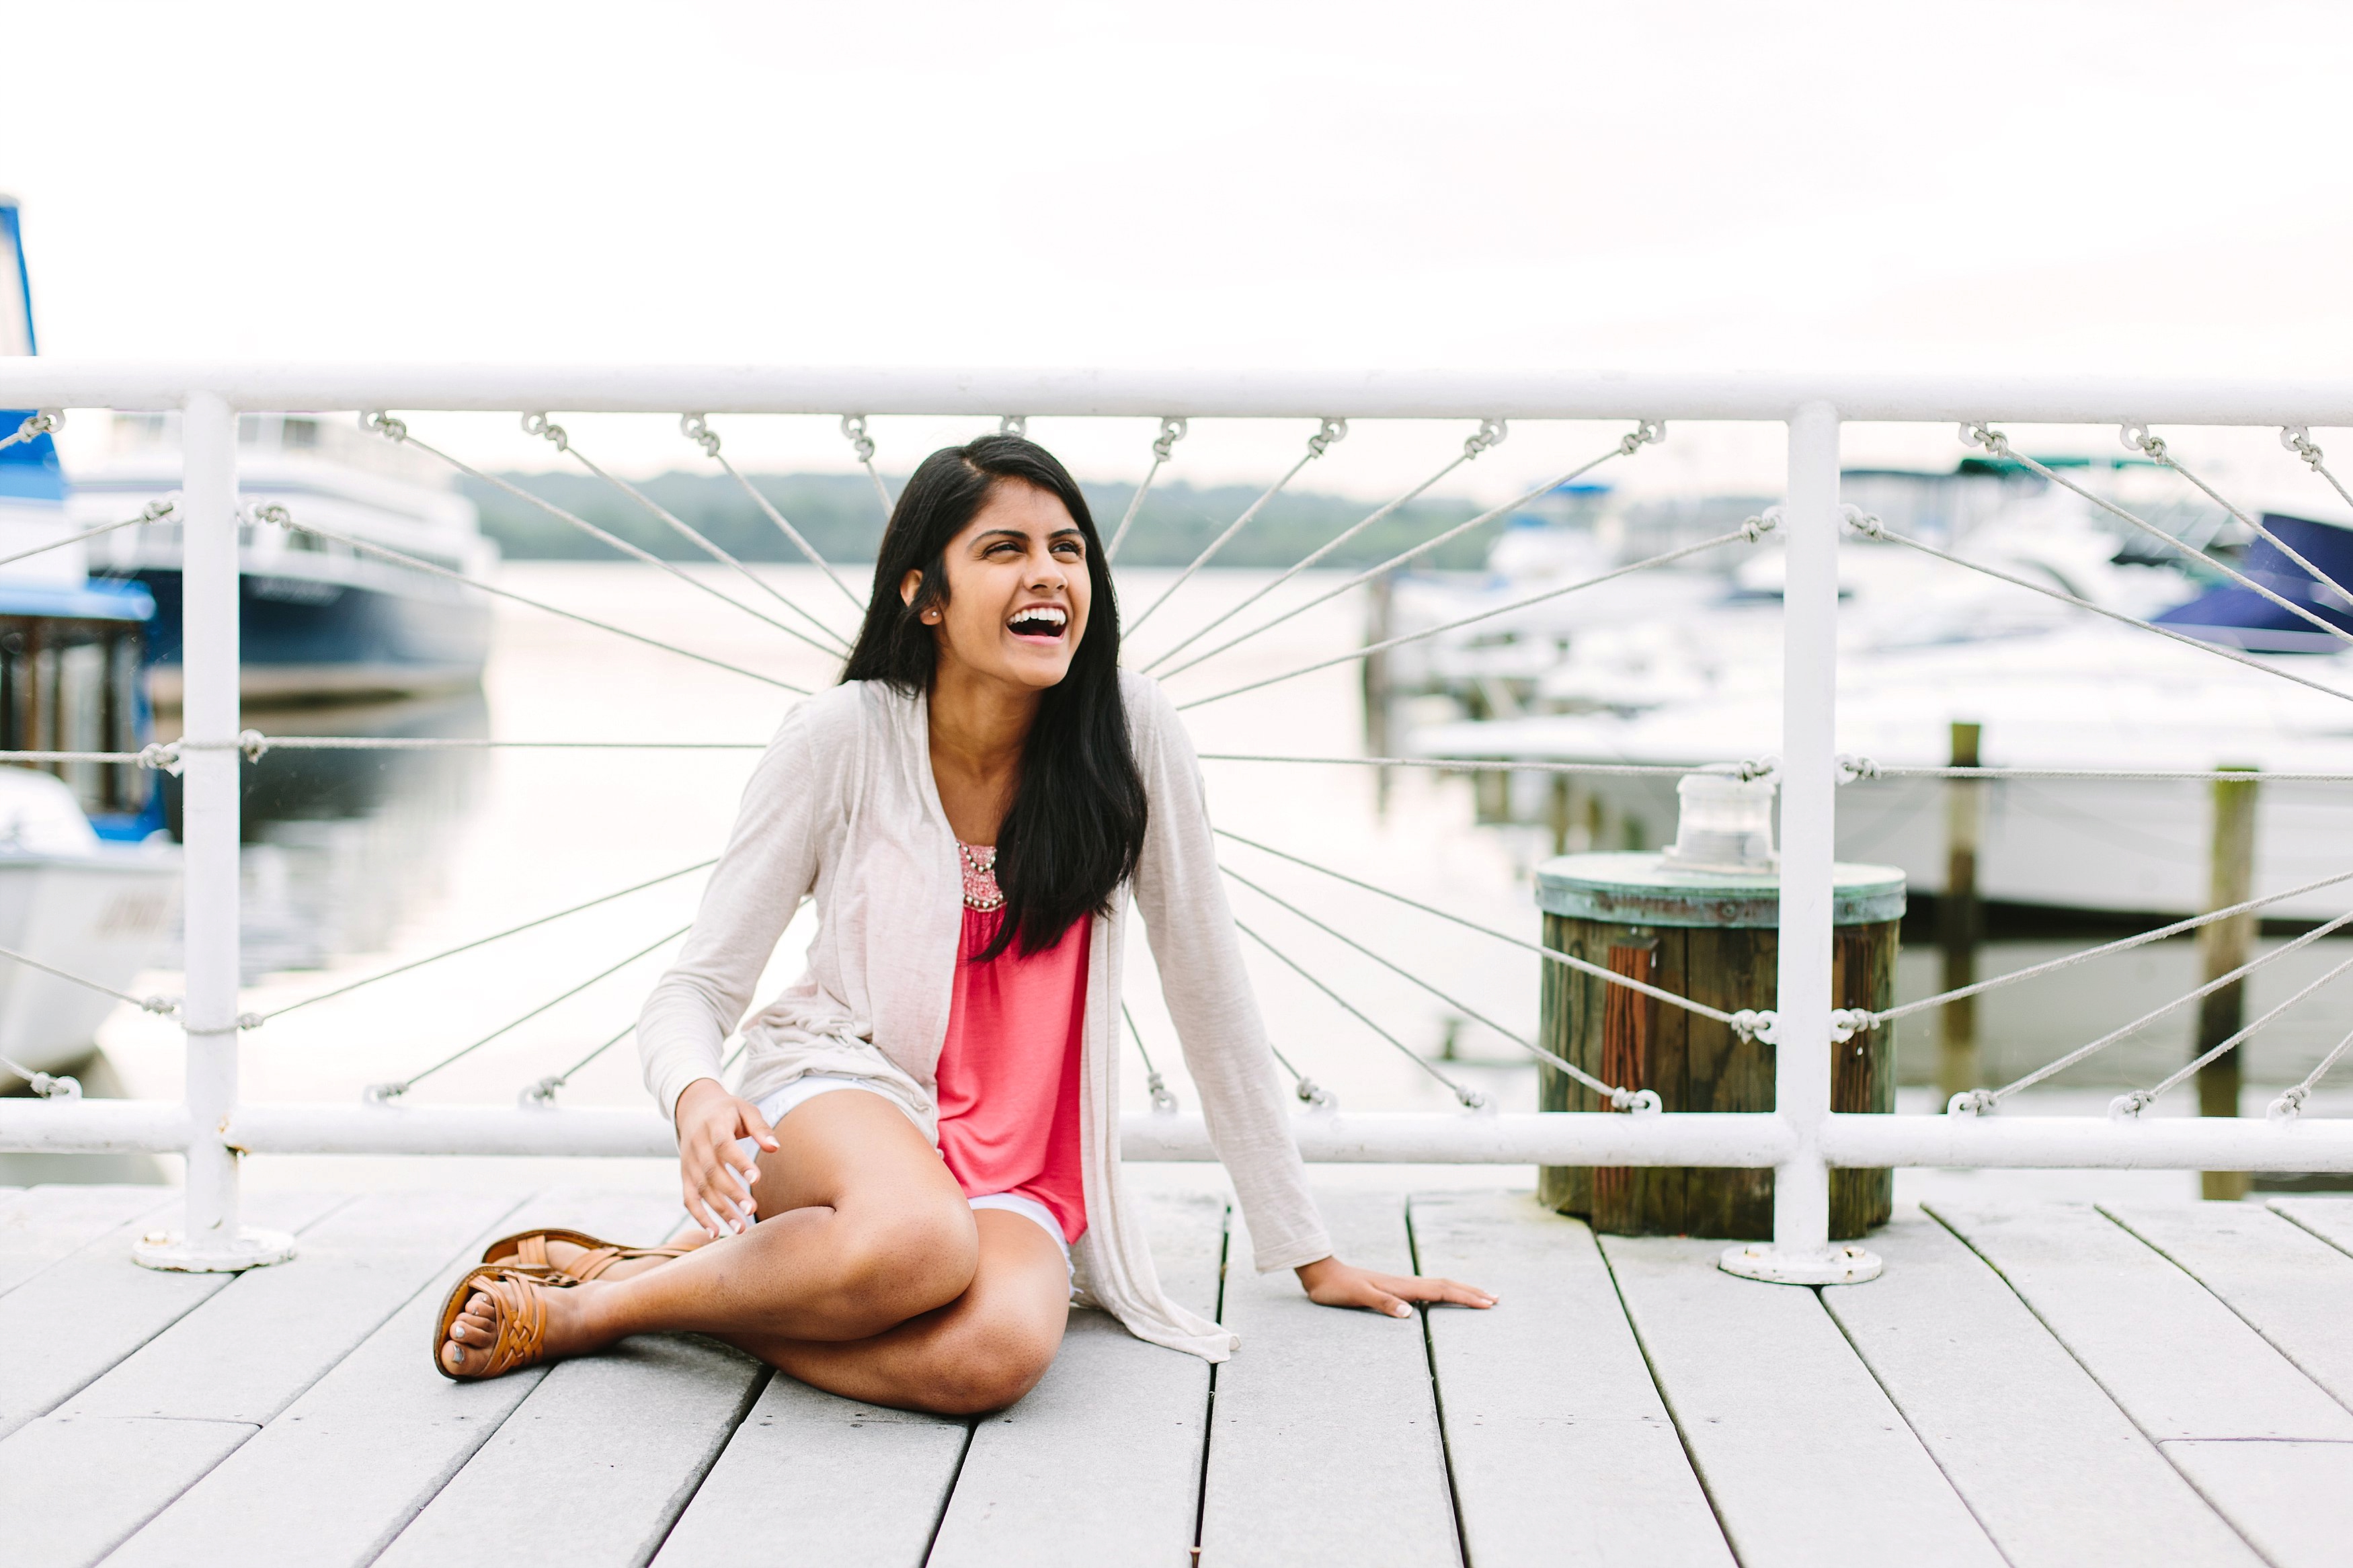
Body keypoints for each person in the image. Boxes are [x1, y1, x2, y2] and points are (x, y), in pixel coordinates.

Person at [434, 434, 1493, 1411]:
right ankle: (588, 1311)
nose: (1049, 573)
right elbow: (696, 989)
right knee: (915, 1239)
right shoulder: (839, 738)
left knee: (993, 1356)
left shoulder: (1130, 733)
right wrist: (697, 1092)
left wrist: (1305, 1248)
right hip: (842, 1090)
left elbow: (1206, 983)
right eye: (1005, 549)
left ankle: (673, 1280)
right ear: (924, 593)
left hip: (1017, 1162)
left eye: (1069, 549)